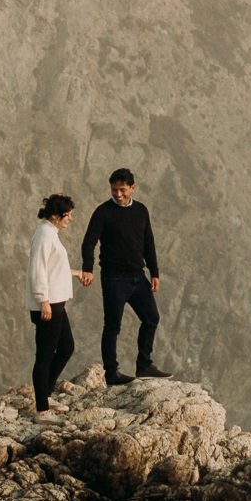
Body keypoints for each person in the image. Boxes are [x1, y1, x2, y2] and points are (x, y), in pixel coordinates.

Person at [78, 167, 170, 384]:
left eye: (122, 190)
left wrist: (154, 272)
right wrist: (88, 269)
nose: (118, 194)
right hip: (113, 278)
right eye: (114, 190)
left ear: (132, 187)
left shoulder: (141, 211)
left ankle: (144, 364)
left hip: (138, 276)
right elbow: (88, 242)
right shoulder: (103, 212)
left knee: (151, 318)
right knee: (112, 326)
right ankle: (111, 373)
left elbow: (148, 242)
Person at [26, 193, 79, 415]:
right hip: (48, 305)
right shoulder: (44, 235)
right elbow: (37, 269)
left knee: (66, 347)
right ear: (57, 216)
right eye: (68, 215)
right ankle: (41, 409)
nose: (71, 219)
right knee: (45, 356)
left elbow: (52, 269)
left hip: (56, 302)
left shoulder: (51, 233)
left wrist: (75, 273)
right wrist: (43, 300)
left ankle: (46, 394)